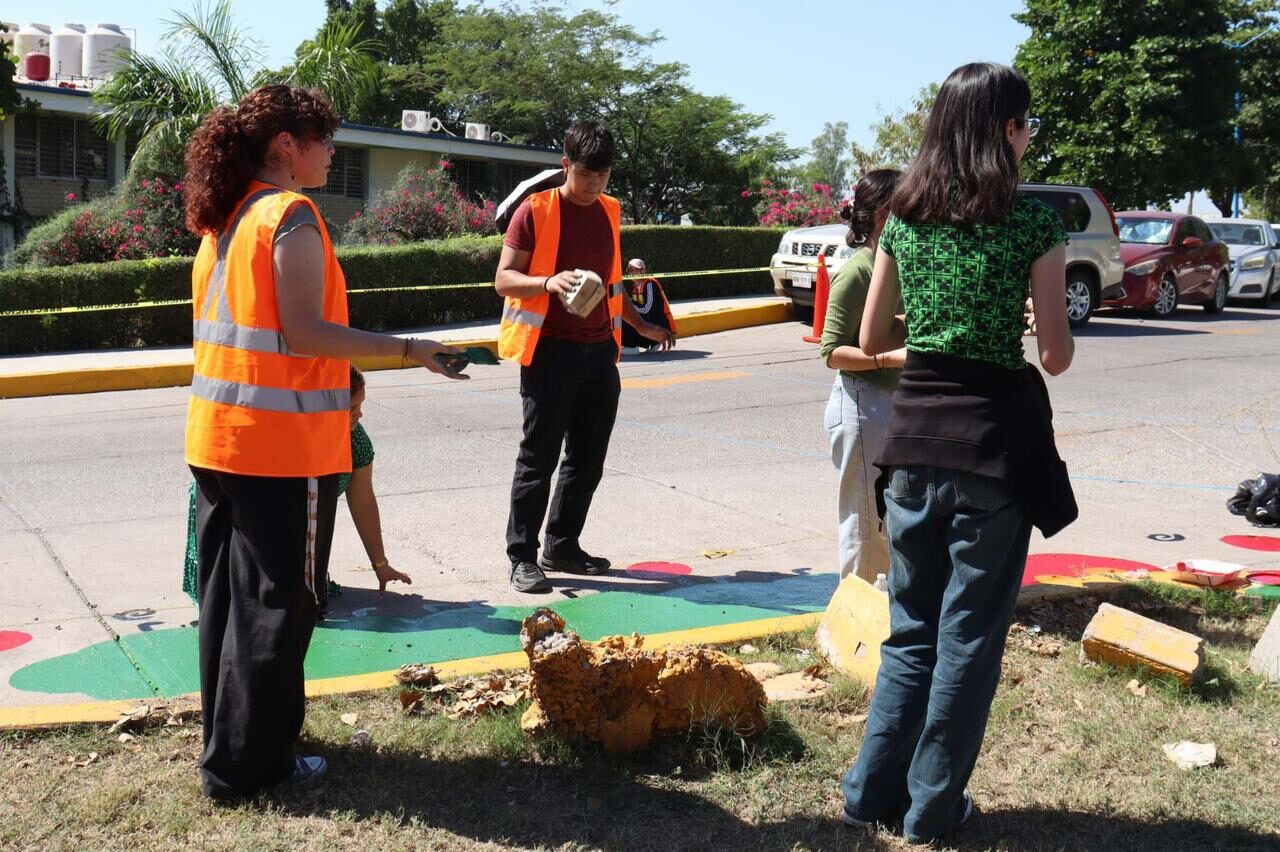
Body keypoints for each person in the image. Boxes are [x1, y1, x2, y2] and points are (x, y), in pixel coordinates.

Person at [183, 83, 465, 800]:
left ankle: (230, 749)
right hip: (283, 448)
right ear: (287, 144)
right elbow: (305, 332)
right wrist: (412, 348)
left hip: (220, 440)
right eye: (323, 139)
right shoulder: (289, 214)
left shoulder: (229, 217)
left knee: (228, 600)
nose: (331, 151)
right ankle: (252, 766)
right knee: (283, 604)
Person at [843, 62, 1076, 844]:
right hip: (990, 453)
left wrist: (938, 334)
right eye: (1027, 125)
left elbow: (871, 339)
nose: (1030, 138)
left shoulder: (903, 219)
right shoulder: (1034, 223)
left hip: (911, 445)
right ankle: (934, 809)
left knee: (911, 628)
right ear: (1008, 129)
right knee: (968, 637)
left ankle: (869, 792)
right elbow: (1054, 353)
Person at [495, 122, 675, 593]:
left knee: (587, 458)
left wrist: (642, 326)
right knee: (539, 457)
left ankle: (562, 543)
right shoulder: (534, 211)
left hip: (599, 354)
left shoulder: (610, 211)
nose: (593, 185)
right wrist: (547, 283)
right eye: (584, 174)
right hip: (549, 351)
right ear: (565, 165)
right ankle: (522, 556)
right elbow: (504, 279)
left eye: (602, 175)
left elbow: (612, 284)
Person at [180, 364, 410, 608]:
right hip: (235, 513)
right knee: (243, 603)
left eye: (361, 406)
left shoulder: (356, 441)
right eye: (352, 408)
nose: (359, 415)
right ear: (326, 408)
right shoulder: (293, 437)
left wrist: (380, 565)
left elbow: (362, 500)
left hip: (290, 530)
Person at [819, 169, 903, 583]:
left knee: (893, 523)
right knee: (865, 523)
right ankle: (856, 617)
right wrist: (890, 358)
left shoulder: (904, 265)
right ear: (884, 215)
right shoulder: (858, 272)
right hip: (861, 408)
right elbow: (832, 351)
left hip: (897, 408)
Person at [620, 258, 677, 353]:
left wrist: (630, 308)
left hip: (660, 324)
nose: (633, 272)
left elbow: (647, 309)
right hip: (650, 321)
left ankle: (631, 346)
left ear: (643, 271)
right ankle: (651, 343)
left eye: (636, 269)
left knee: (627, 316)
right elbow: (638, 306)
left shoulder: (650, 283)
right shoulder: (635, 287)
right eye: (631, 270)